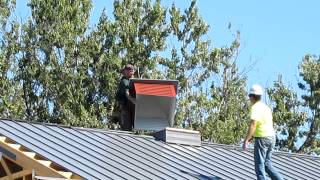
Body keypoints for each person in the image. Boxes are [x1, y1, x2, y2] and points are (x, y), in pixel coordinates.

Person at [242, 84, 283, 180]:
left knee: (259, 164)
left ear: (252, 96)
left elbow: (253, 124)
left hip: (262, 139)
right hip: (271, 137)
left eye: (249, 96)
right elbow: (264, 123)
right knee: (267, 163)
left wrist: (246, 140)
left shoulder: (255, 107)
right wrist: (252, 137)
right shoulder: (266, 107)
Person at [116, 64, 136, 131]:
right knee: (127, 128)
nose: (131, 73)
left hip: (130, 107)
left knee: (134, 125)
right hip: (124, 107)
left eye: (132, 71)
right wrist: (135, 101)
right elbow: (127, 94)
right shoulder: (124, 82)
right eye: (129, 71)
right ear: (125, 72)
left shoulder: (132, 81)